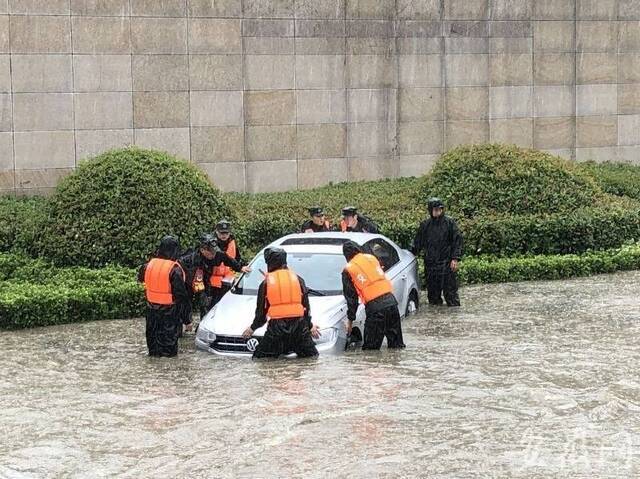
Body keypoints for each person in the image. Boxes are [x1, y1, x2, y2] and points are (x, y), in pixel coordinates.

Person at [242, 247, 320, 359]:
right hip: (300, 328)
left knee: (260, 360)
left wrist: (252, 328)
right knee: (311, 358)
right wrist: (310, 325)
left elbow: (261, 313)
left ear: (269, 262)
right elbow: (305, 308)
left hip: (276, 330)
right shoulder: (298, 279)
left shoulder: (265, 284)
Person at [342, 240, 405, 350]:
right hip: (391, 304)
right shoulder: (371, 258)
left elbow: (352, 299)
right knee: (397, 347)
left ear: (346, 256)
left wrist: (350, 321)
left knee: (370, 351)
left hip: (376, 310)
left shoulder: (348, 269)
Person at [138, 235, 191, 357]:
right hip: (169, 313)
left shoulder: (148, 266)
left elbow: (141, 279)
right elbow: (182, 296)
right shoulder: (174, 269)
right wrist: (187, 320)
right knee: (169, 350)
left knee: (153, 347)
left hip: (151, 311)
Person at [179, 233, 250, 318]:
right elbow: (196, 282)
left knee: (207, 300)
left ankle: (205, 318)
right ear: (202, 250)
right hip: (190, 278)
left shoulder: (218, 254)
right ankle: (187, 320)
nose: (213, 255)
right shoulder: (193, 259)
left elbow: (228, 260)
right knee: (191, 299)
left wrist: (240, 267)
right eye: (210, 252)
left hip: (206, 276)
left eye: (214, 252)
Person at [411, 197, 463, 306]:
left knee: (451, 295)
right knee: (433, 297)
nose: (438, 211)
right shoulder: (425, 225)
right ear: (430, 210)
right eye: (435, 209)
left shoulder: (450, 223)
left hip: (447, 263)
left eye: (440, 209)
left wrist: (455, 259)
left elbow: (457, 241)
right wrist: (410, 254)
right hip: (431, 265)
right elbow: (417, 243)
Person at [209, 220, 244, 308]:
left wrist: (242, 267)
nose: (224, 235)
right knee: (212, 308)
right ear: (216, 232)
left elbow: (237, 259)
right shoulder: (211, 244)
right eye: (221, 233)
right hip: (213, 284)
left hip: (228, 282)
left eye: (226, 233)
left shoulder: (233, 243)